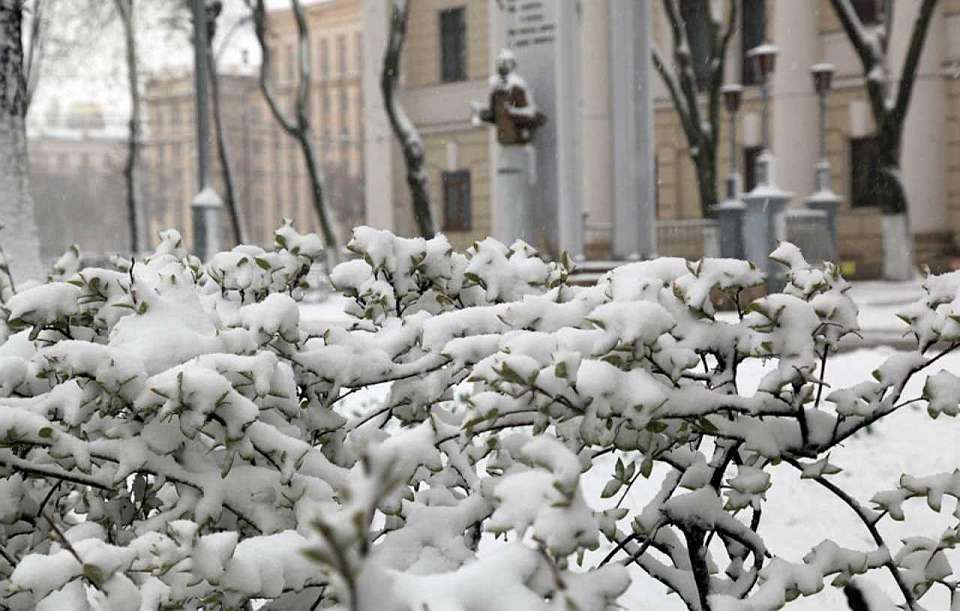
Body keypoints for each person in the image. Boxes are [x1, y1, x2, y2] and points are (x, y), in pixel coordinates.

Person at [476, 49, 546, 146]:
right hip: (505, 142)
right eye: (500, 64)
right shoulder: (496, 92)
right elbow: (496, 116)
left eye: (505, 64)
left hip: (519, 143)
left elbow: (532, 113)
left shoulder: (518, 87)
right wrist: (482, 114)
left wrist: (512, 112)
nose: (502, 68)